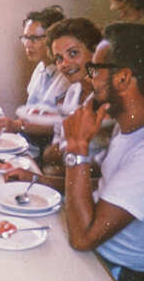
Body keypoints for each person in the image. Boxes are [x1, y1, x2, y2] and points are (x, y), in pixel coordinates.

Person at [6, 23, 144, 281]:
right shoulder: (132, 125)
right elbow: (108, 188)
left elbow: (83, 238)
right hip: (94, 250)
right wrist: (36, 180)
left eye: (96, 68)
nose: (90, 76)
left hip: (116, 277)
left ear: (123, 79)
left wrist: (77, 148)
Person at [0, 6, 69, 138]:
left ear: (52, 39)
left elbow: (59, 126)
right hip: (27, 142)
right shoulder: (40, 68)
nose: (27, 45)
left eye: (34, 39)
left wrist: (16, 125)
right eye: (25, 38)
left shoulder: (65, 77)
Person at [40, 17, 106, 171]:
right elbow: (57, 140)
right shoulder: (73, 91)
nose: (64, 64)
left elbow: (98, 170)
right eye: (59, 58)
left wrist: (57, 156)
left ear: (94, 51)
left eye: (73, 53)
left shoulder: (105, 99)